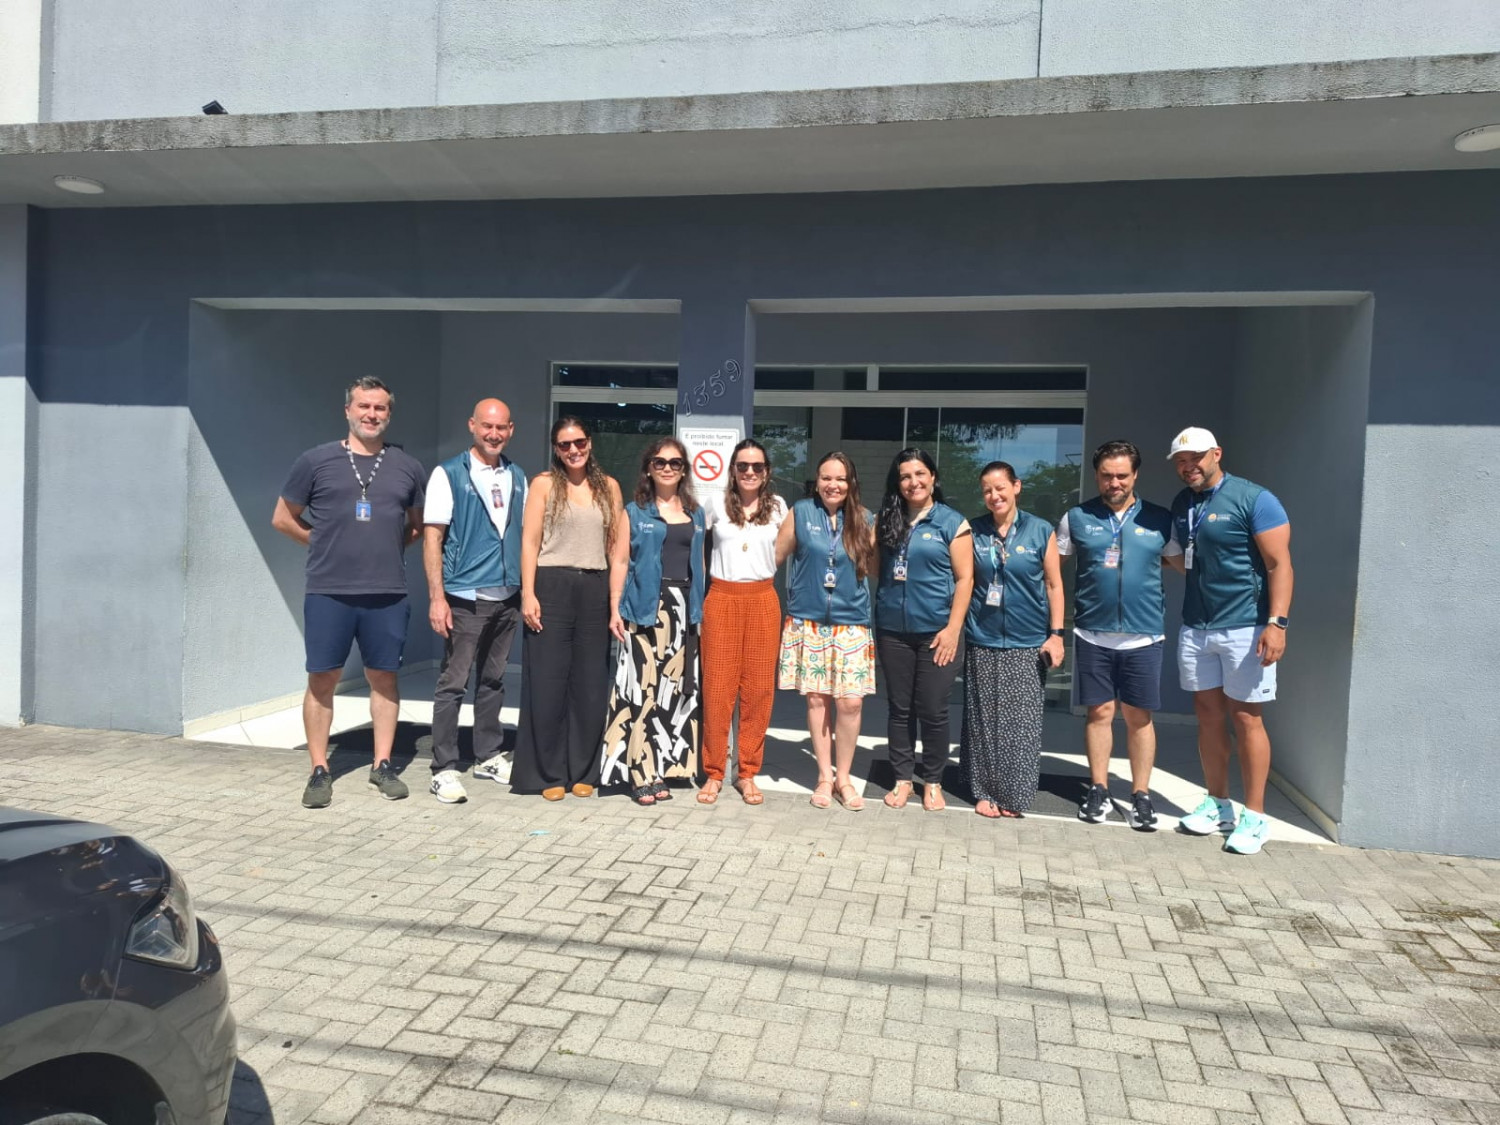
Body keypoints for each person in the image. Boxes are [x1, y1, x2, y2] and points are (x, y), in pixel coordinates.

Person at [272, 376, 426, 809]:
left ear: (389, 414)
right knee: (323, 678)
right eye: (364, 406)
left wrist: (388, 548)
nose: (371, 414)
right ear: (348, 410)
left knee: (384, 678)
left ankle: (382, 765)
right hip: (329, 591)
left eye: (380, 408)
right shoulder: (315, 461)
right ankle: (320, 769)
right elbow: (283, 518)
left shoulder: (408, 467)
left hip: (387, 593)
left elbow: (417, 526)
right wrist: (321, 542)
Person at [1166, 427, 1293, 856]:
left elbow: (1279, 564)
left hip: (1246, 626)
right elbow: (1183, 558)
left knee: (1246, 718)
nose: (1189, 467)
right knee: (1207, 716)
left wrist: (1277, 623)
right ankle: (1217, 804)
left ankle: (1254, 817)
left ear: (1216, 454)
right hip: (1196, 625)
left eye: (1196, 458)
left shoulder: (1254, 498)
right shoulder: (1183, 503)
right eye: (1182, 462)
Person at [1057, 440, 1180, 830]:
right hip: (1093, 633)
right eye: (1107, 475)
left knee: (1139, 718)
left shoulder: (1159, 519)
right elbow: (1051, 568)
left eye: (1122, 475)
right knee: (1100, 714)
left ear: (1135, 475)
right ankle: (1098, 789)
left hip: (1144, 636)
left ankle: (1141, 794)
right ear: (1096, 475)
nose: (1114, 483)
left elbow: (1181, 563)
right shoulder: (1077, 517)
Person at [511, 417, 624, 801]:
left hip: (594, 588)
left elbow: (615, 549)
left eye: (579, 442)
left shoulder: (609, 487)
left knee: (590, 683)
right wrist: (528, 593)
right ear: (556, 449)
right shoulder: (543, 484)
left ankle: (584, 770)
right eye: (564, 444)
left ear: (589, 442)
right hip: (551, 586)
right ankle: (548, 772)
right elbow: (529, 542)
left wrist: (614, 602)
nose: (573, 450)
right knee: (548, 682)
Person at [421, 398, 526, 804]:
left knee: (494, 680)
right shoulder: (449, 474)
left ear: (510, 430)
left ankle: (488, 755)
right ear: (472, 426)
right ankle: (443, 768)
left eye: (501, 427)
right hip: (466, 597)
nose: (493, 434)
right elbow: (433, 538)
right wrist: (437, 598)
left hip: (508, 595)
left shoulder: (517, 475)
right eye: (487, 426)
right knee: (453, 683)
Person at [600, 438, 707, 805]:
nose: (667, 468)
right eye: (659, 462)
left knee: (673, 692)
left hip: (684, 611)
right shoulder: (634, 512)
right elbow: (620, 561)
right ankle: (639, 771)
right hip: (646, 608)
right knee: (642, 691)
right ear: (648, 468)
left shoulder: (696, 513)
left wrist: (699, 611)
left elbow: (699, 564)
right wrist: (615, 608)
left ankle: (663, 767)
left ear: (683, 470)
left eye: (675, 463)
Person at [960, 462, 1065, 818]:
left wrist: (1056, 635)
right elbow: (965, 582)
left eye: (1000, 488)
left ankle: (1014, 793)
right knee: (983, 720)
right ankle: (984, 791)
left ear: (1016, 487)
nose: (994, 496)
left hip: (1028, 641)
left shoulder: (1040, 530)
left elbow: (1054, 585)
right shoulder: (974, 531)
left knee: (1021, 724)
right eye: (987, 490)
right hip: (983, 637)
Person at [775, 452, 878, 811]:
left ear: (851, 483)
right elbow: (773, 558)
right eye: (826, 478)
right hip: (809, 621)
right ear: (816, 481)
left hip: (852, 623)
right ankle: (824, 776)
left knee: (850, 702)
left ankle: (843, 778)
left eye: (840, 478)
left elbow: (876, 567)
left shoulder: (865, 518)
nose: (833, 485)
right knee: (817, 700)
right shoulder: (801, 512)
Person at [874, 449, 974, 812]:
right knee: (900, 709)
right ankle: (902, 779)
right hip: (893, 631)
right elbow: (875, 569)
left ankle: (932, 781)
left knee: (932, 709)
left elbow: (965, 580)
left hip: (938, 633)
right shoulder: (887, 520)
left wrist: (952, 629)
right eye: (905, 476)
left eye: (920, 474)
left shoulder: (952, 522)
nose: (913, 482)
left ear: (933, 477)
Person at [698, 439, 787, 806]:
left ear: (766, 472)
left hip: (762, 598)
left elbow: (783, 553)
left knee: (758, 691)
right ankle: (714, 771)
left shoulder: (779, 507)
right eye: (743, 466)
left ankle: (747, 771)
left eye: (757, 467)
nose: (750, 472)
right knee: (717, 689)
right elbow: (701, 554)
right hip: (722, 597)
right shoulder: (714, 504)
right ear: (733, 470)